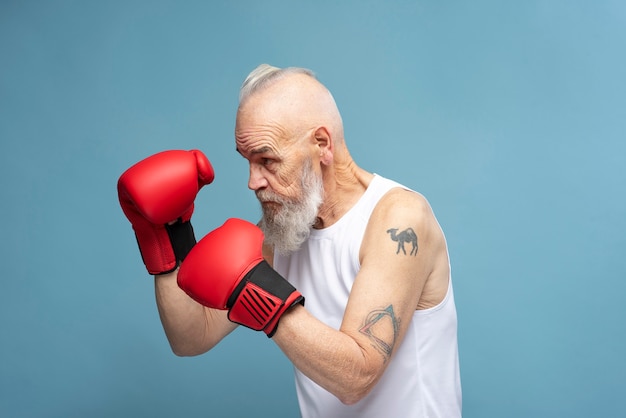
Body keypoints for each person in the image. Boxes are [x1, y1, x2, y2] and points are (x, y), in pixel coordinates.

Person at [118, 64, 462, 417]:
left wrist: (258, 294)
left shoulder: (399, 219)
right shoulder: (283, 232)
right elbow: (191, 337)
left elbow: (357, 376)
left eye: (267, 160)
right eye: (248, 162)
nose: (253, 181)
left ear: (322, 145)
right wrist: (165, 237)